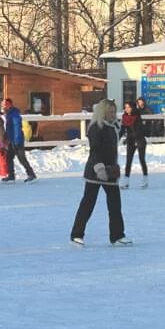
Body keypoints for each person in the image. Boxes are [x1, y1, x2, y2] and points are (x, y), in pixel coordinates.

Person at [70, 99, 132, 247]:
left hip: (110, 171)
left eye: (113, 111)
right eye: (110, 111)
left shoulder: (112, 127)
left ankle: (117, 236)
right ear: (102, 112)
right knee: (88, 203)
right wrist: (99, 168)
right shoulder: (96, 128)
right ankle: (76, 234)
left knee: (115, 204)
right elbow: (95, 150)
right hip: (96, 172)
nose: (112, 114)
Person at [1, 98, 37, 183]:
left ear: (9, 105)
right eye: (2, 104)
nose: (3, 106)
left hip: (17, 141)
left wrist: (16, 141)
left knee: (21, 158)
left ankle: (31, 174)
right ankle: (11, 176)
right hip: (11, 140)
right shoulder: (9, 113)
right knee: (9, 158)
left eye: (4, 104)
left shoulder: (14, 114)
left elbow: (17, 128)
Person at [119, 101, 148, 189]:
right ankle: (126, 181)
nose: (126, 109)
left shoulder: (137, 116)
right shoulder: (124, 117)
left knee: (141, 159)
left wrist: (136, 139)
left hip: (139, 139)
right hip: (130, 140)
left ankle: (145, 179)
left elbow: (139, 129)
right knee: (128, 160)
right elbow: (122, 130)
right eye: (125, 107)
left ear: (132, 107)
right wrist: (117, 138)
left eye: (128, 107)